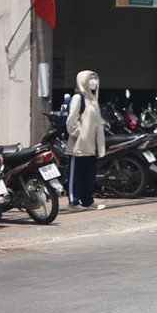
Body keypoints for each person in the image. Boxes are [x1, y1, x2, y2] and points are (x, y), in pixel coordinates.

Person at [65, 70, 106, 211]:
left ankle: (88, 201)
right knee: (76, 175)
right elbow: (71, 121)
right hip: (79, 146)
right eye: (90, 79)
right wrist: (80, 134)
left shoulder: (93, 100)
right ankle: (73, 202)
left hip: (91, 146)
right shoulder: (78, 98)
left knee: (89, 175)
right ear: (83, 81)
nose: (93, 82)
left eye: (95, 79)